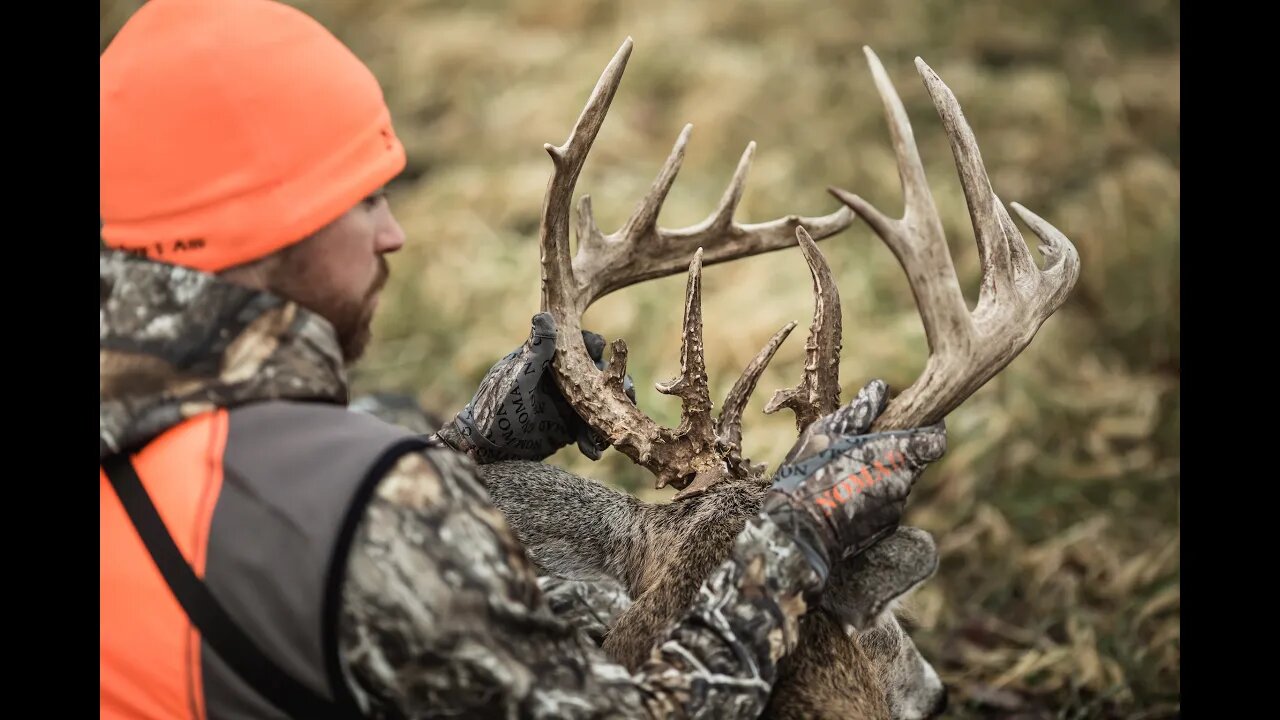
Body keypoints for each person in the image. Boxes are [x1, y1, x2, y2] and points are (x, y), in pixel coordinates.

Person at [99, 1, 947, 718]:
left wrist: (467, 451)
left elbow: (274, 554)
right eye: (362, 198)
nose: (393, 232)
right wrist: (784, 547)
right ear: (265, 226)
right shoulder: (374, 517)